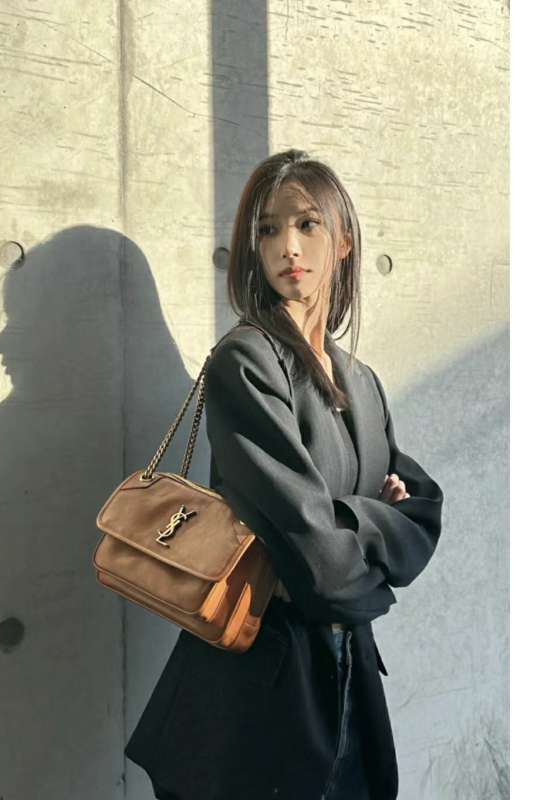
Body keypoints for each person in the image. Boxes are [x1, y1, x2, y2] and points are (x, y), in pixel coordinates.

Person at [124, 149, 444, 800]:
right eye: (268, 229)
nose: (287, 246)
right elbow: (323, 563)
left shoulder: (362, 381)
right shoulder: (245, 362)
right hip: (260, 685)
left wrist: (349, 523)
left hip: (348, 670)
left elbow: (423, 516)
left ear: (343, 241)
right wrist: (374, 517)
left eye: (306, 224)